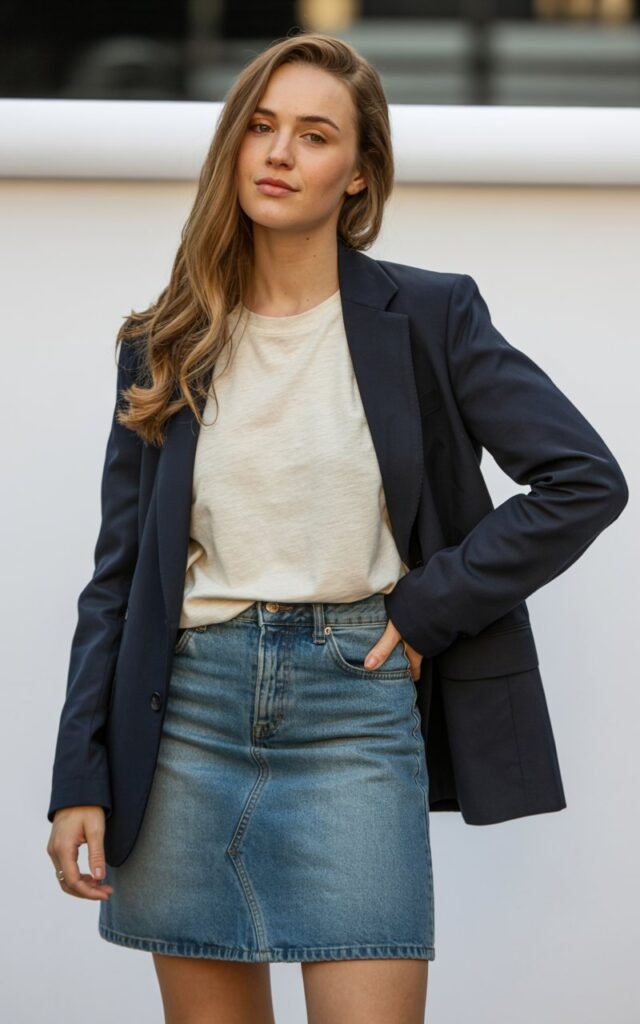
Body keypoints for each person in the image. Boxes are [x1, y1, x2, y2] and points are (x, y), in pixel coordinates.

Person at [45, 32, 628, 1024]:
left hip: (353, 716)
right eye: (261, 128)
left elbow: (582, 479)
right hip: (186, 715)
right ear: (232, 147)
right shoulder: (163, 343)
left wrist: (427, 606)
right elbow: (117, 578)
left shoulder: (433, 316)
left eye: (313, 135)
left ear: (357, 175)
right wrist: (77, 776)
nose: (279, 153)